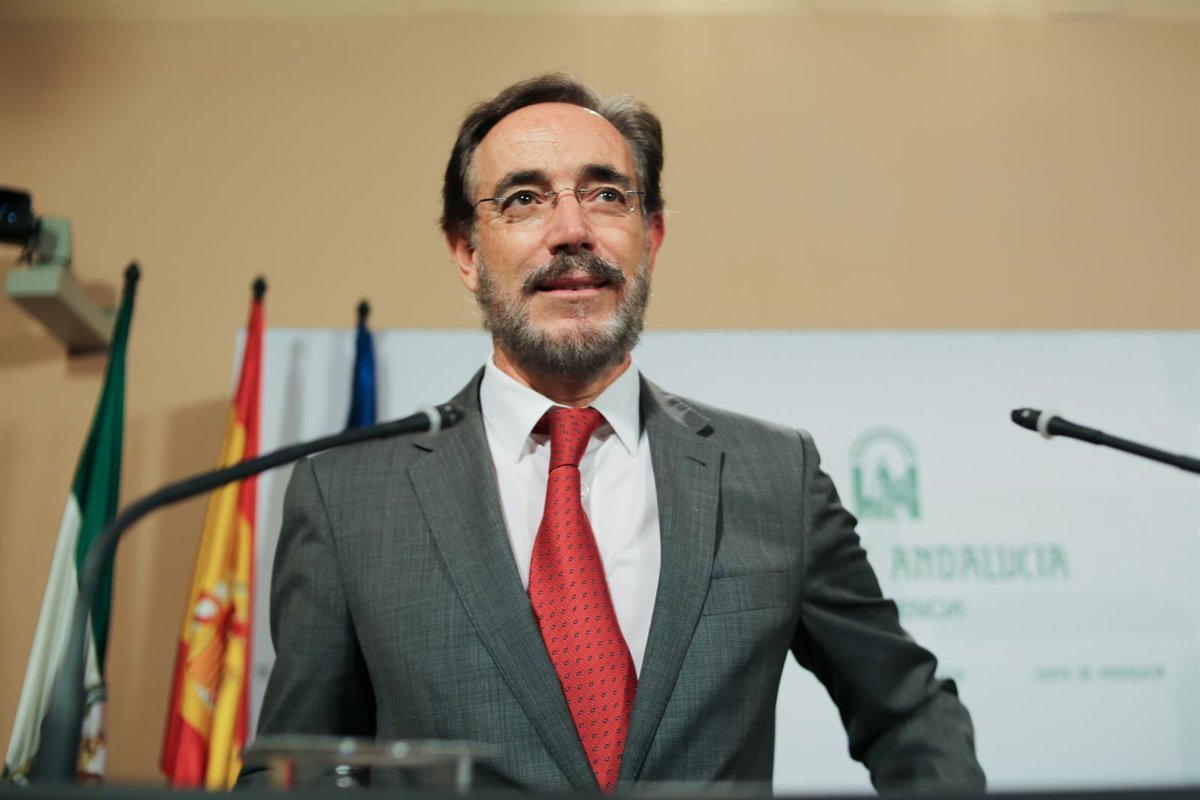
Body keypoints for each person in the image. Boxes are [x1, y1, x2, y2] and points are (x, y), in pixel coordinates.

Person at [241, 73, 985, 793]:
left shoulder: (774, 474)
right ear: (466, 251)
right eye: (524, 199)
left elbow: (908, 713)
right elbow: (297, 772)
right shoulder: (348, 498)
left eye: (606, 195)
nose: (572, 231)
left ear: (650, 236)